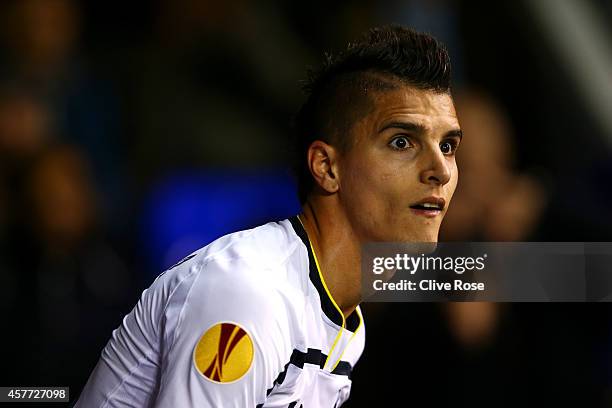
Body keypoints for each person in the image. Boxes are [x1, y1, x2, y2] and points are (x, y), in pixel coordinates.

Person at [76, 24, 461, 407]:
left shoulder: (345, 318)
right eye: (401, 142)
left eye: (447, 145)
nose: (440, 170)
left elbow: (509, 273)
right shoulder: (248, 294)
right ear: (327, 168)